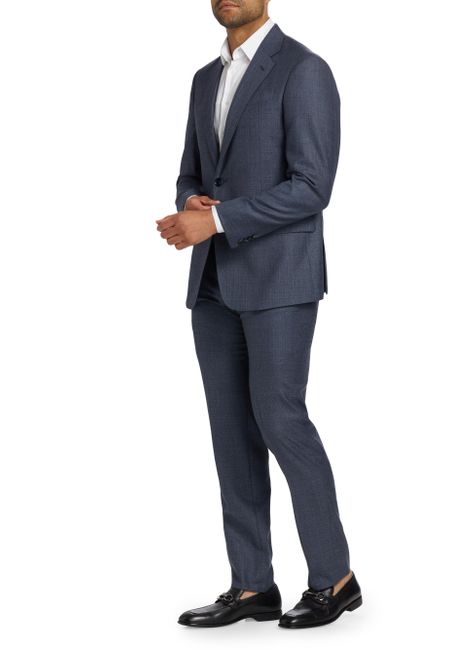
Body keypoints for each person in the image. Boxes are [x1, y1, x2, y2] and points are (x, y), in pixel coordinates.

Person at [156, 0, 362, 629]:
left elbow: (313, 186)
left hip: (279, 280)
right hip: (213, 283)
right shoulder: (204, 79)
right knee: (231, 433)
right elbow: (193, 170)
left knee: (281, 420)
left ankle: (335, 578)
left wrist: (218, 220)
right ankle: (252, 585)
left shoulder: (304, 70)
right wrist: (192, 199)